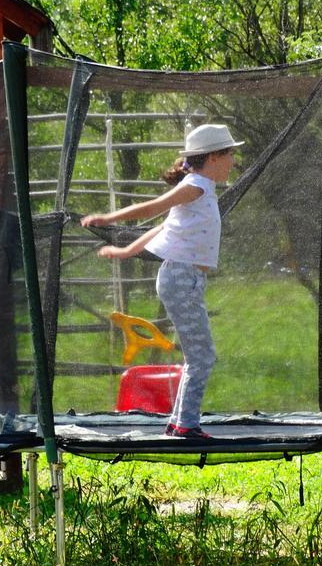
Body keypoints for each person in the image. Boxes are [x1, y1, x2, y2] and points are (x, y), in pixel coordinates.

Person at [81, 124, 242, 440]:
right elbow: (154, 207)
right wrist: (108, 219)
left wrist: (127, 250)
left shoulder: (201, 189)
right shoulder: (194, 185)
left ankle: (180, 422)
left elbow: (162, 227)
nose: (232, 162)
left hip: (185, 278)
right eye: (229, 155)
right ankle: (186, 425)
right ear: (212, 157)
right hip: (181, 278)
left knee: (198, 355)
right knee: (203, 356)